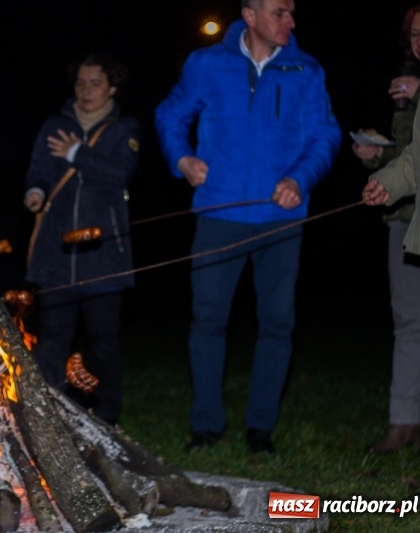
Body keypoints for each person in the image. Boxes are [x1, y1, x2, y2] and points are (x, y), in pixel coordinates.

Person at [155, 0, 340, 453]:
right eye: (280, 12)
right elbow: (170, 114)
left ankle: (261, 427)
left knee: (277, 323)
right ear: (251, 14)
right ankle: (206, 425)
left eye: (292, 12)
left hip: (281, 219)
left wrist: (300, 178)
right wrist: (181, 158)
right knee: (208, 321)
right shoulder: (207, 63)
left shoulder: (306, 70)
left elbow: (326, 135)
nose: (290, 21)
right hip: (219, 214)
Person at [23, 52, 140, 426]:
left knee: (103, 342)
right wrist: (36, 191)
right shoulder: (55, 125)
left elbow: (119, 173)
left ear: (112, 88)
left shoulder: (125, 129)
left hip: (103, 257)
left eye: (95, 83)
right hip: (56, 256)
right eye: (80, 83)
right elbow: (39, 169)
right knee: (53, 340)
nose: (86, 90)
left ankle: (106, 418)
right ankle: (49, 415)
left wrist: (77, 153)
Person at [353, 1, 420, 454]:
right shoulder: (411, 85)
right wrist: (378, 163)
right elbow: (413, 156)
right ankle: (403, 423)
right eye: (416, 35)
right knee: (409, 321)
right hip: (407, 221)